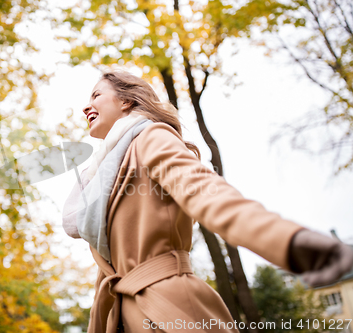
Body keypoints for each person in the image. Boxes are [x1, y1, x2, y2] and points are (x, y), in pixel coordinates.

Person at [62, 70, 353, 333]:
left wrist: (288, 242)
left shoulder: (150, 137)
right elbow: (112, 268)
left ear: (126, 101)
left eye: (96, 95)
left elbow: (207, 193)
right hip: (122, 317)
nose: (86, 106)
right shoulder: (101, 182)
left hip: (169, 312)